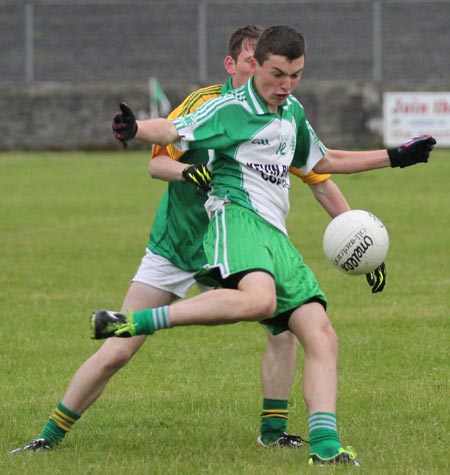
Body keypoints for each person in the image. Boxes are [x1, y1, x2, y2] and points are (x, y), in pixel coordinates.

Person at [10, 25, 367, 456]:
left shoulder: (277, 117)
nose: (270, 77)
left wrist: (358, 239)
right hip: (178, 247)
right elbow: (158, 162)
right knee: (119, 350)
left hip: (237, 243)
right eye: (255, 63)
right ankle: (48, 436)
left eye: (273, 68)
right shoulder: (207, 105)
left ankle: (273, 432)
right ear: (233, 64)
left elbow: (320, 178)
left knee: (285, 327)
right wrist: (187, 170)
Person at [91, 25, 435, 466]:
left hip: (275, 235)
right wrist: (136, 127)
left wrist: (396, 157)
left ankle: (326, 449)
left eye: (295, 75)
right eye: (277, 74)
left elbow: (323, 162)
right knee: (259, 300)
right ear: (256, 66)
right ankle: (135, 321)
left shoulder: (292, 111)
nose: (285, 85)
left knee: (320, 332)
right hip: (236, 219)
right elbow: (176, 130)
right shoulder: (232, 109)